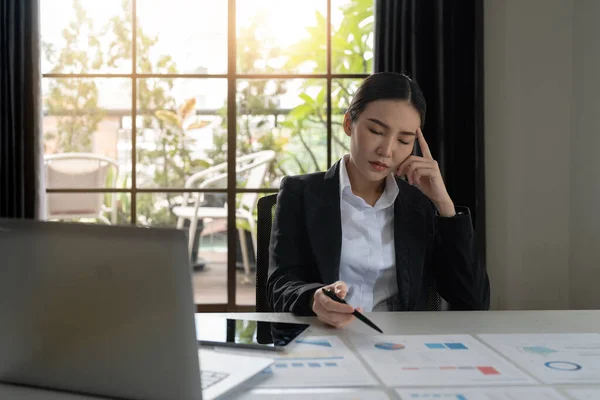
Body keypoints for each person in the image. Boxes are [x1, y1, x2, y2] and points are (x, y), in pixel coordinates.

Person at [267, 72, 490, 329]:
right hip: (326, 340)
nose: (387, 150)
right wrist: (314, 298)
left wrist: (445, 206)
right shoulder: (301, 193)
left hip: (402, 347)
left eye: (404, 140)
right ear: (349, 123)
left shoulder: (418, 205)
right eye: (376, 131)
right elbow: (280, 286)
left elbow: (473, 301)